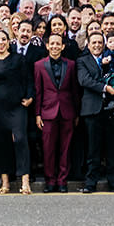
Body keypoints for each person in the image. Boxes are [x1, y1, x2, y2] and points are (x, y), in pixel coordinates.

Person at [0, 26, 35, 194]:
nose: (1, 42)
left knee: (20, 140)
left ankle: (25, 181)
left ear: (8, 41)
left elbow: (29, 80)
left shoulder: (18, 59)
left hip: (17, 107)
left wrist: (30, 96)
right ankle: (5, 182)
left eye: (4, 39)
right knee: (2, 144)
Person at [77, 28, 114, 193]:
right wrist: (106, 88)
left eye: (100, 42)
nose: (97, 45)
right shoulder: (82, 61)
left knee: (112, 148)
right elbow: (85, 81)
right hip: (92, 110)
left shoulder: (110, 59)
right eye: (94, 43)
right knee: (93, 149)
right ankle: (91, 182)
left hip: (112, 110)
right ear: (88, 45)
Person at [34, 31, 80, 191]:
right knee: (48, 149)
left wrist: (76, 113)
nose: (54, 46)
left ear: (62, 46)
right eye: (51, 43)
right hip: (47, 112)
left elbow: (75, 91)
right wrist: (37, 114)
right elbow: (38, 91)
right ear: (47, 46)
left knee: (65, 148)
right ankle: (50, 181)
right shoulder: (39, 65)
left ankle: (62, 181)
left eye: (57, 44)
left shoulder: (72, 65)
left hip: (67, 111)